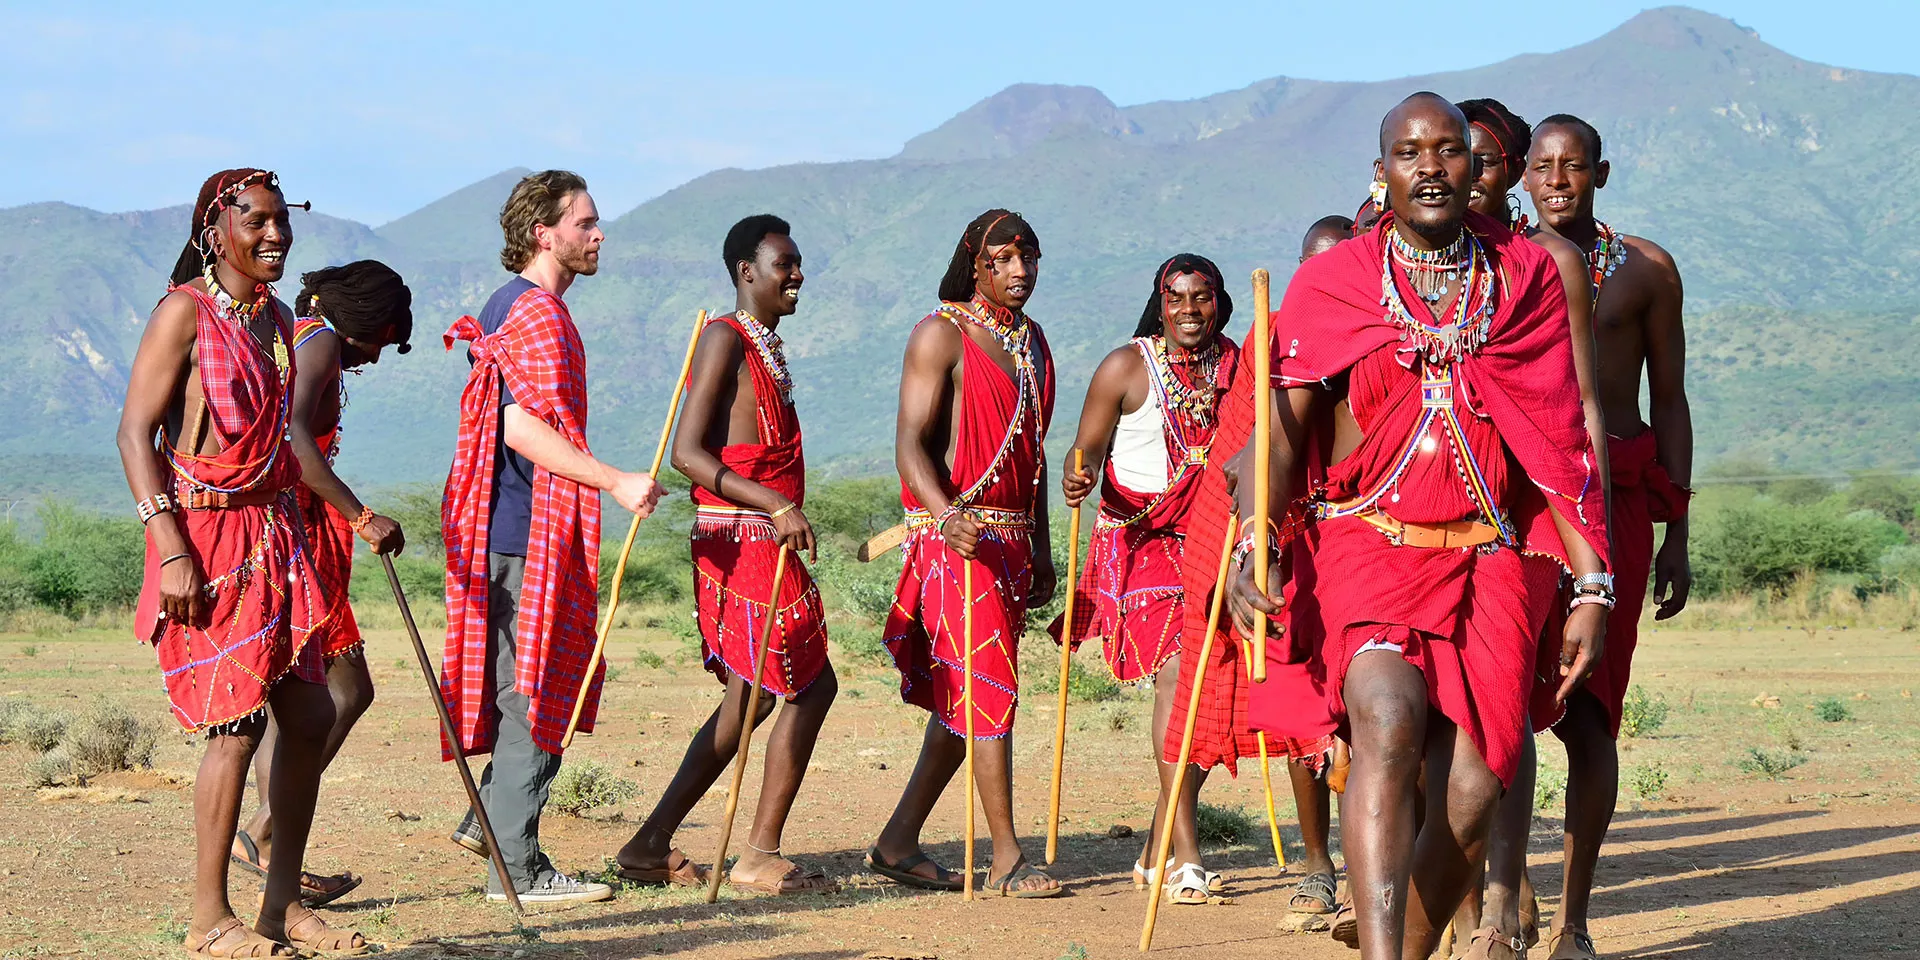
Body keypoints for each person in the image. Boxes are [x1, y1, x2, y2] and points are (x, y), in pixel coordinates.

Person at [1229, 94, 1612, 960]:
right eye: (1410, 153)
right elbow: (1281, 429)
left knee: (1476, 791)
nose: (1432, 167)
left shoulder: (1525, 280)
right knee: (1391, 722)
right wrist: (1257, 537)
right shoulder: (1334, 281)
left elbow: (1560, 440)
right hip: (1370, 544)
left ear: (1479, 170)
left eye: (1449, 152)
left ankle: (1404, 946)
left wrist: (1592, 581)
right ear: (1383, 173)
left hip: (1490, 559)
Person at [117, 168, 365, 956]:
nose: (274, 236)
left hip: (274, 536)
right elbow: (134, 435)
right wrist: (169, 547)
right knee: (234, 728)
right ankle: (206, 920)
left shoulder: (279, 320)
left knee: (313, 713)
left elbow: (284, 445)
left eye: (282, 222)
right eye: (255, 222)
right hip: (206, 538)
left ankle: (278, 907)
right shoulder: (181, 316)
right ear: (213, 231)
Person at [441, 170, 663, 905]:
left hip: (524, 529)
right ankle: (520, 870)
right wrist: (613, 479)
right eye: (586, 223)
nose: (598, 235)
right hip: (522, 531)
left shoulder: (522, 308)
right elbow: (518, 426)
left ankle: (490, 821)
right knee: (534, 695)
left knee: (542, 685)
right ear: (545, 232)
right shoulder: (532, 314)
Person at [614, 215, 839, 895]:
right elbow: (687, 453)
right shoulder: (723, 338)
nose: (797, 275)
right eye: (784, 264)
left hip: (758, 536)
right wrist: (772, 503)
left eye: (798, 263)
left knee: (760, 697)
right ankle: (755, 853)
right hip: (738, 539)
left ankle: (650, 844)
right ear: (747, 271)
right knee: (799, 685)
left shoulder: (765, 348)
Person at [1524, 113, 1692, 960]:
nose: (1559, 181)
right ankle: (1502, 901)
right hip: (1522, 509)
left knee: (1591, 714)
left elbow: (1671, 401)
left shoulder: (1648, 272)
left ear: (1602, 173)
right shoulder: (1499, 268)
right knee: (1497, 706)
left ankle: (1574, 919)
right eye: (1544, 167)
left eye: (1574, 166)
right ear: (1521, 176)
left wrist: (1678, 533)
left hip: (1616, 503)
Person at [1451, 96, 1610, 959]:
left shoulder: (1547, 263)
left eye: (1480, 159)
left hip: (1528, 519)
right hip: (1423, 518)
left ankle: (1504, 900)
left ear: (1505, 172)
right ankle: (1443, 900)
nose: (1462, 174)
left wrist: (1597, 556)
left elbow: (1582, 406)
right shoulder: (1404, 260)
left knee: (1505, 708)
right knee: (1429, 717)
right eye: (1449, 156)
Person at [868, 209, 1063, 898]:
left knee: (967, 701)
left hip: (1011, 542)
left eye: (1029, 258)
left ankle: (896, 841)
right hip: (956, 538)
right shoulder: (939, 335)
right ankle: (1009, 856)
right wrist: (947, 516)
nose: (1019, 272)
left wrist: (1041, 549)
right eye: (1004, 259)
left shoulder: (1035, 343)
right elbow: (911, 445)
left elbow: (1032, 457)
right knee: (987, 694)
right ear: (975, 264)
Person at [1053, 253, 1240, 905]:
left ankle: (1159, 840)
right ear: (1159, 304)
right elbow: (1085, 450)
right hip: (1140, 539)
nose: (1191, 310)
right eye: (1177, 297)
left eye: (1203, 297)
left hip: (1215, 537)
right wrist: (1078, 472)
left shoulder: (1240, 366)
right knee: (1177, 673)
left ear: (1221, 303)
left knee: (1216, 689)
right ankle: (1187, 856)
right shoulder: (1124, 367)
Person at [229, 260, 414, 909]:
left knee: (301, 696)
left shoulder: (305, 337)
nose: (377, 355)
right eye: (384, 340)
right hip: (296, 531)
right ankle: (263, 833)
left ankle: (273, 845)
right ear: (370, 322)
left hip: (293, 527)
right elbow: (293, 440)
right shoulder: (320, 344)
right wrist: (363, 516)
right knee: (345, 688)